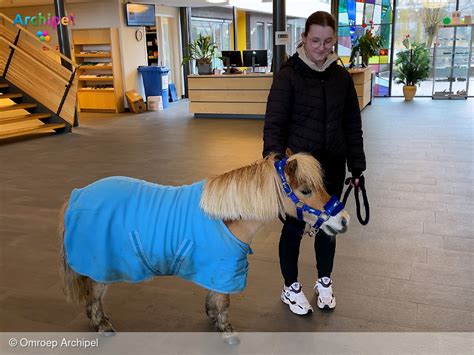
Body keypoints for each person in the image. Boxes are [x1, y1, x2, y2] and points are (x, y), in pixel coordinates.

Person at [263, 11, 366, 315]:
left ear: (335, 41)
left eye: (328, 41)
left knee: (328, 228)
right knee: (294, 229)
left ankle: (324, 282)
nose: (322, 47)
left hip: (333, 165)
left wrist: (357, 166)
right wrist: (275, 160)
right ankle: (290, 287)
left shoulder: (340, 76)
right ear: (304, 38)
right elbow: (274, 124)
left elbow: (352, 123)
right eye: (316, 40)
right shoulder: (288, 75)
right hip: (299, 173)